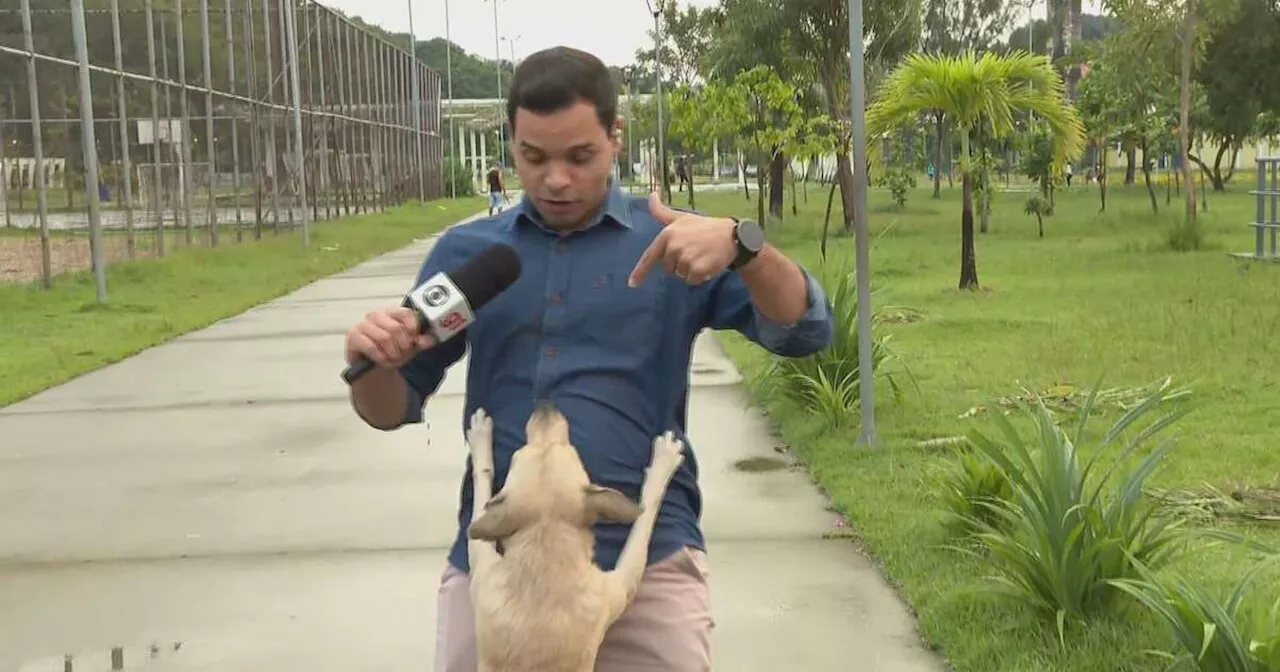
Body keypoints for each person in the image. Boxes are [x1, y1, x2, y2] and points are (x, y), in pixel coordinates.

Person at [342, 45, 835, 672]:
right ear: (511, 144)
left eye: (580, 157)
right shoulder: (469, 256)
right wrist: (374, 360)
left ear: (615, 137)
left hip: (646, 557)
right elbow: (390, 408)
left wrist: (747, 247)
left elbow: (805, 331)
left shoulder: (671, 242)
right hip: (498, 572)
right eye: (534, 157)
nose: (556, 180)